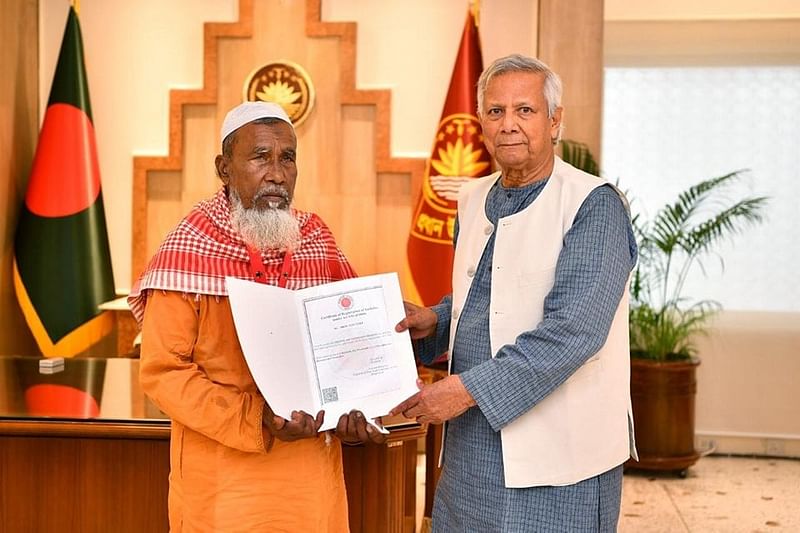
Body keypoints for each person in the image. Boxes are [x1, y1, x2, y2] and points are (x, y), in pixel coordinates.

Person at [392, 54, 638, 532]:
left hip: (564, 454)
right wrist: (436, 322)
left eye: (524, 111)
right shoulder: (472, 197)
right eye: (495, 111)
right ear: (481, 120)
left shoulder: (593, 205)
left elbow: (573, 334)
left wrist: (465, 391)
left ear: (555, 120)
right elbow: (488, 295)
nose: (509, 125)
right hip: (473, 447)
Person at [128, 101, 385, 532]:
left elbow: (351, 344)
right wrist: (255, 418)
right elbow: (163, 373)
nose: (277, 173)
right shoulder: (188, 248)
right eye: (260, 157)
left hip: (311, 480)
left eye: (287, 158)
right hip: (222, 482)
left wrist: (358, 409)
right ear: (224, 168)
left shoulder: (316, 239)